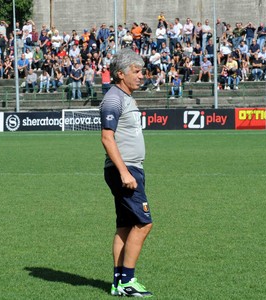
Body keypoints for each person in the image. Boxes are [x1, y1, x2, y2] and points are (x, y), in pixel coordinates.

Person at [99, 49, 153, 298]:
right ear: (120, 74)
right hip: (126, 170)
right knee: (143, 223)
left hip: (131, 168)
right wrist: (124, 173)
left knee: (125, 225)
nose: (141, 75)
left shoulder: (126, 96)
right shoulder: (113, 98)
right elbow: (107, 138)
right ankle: (128, 282)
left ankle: (118, 282)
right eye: (136, 71)